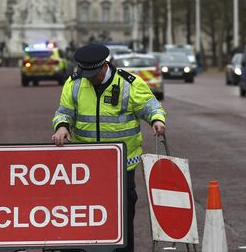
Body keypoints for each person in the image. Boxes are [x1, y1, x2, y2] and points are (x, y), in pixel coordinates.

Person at [51, 44, 166, 252]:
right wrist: (61, 126)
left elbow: (151, 106)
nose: (89, 77)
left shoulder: (129, 83)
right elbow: (64, 111)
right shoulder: (75, 82)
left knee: (122, 214)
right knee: (88, 213)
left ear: (104, 65)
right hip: (86, 164)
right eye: (86, 73)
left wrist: (157, 120)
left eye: (93, 73)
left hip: (122, 164)